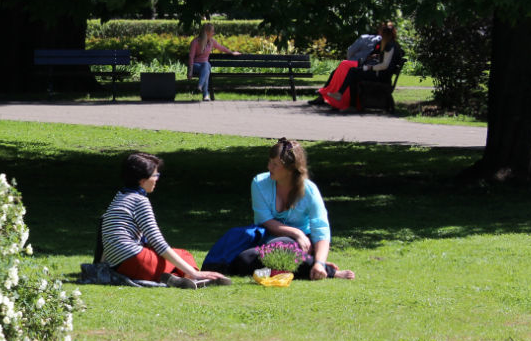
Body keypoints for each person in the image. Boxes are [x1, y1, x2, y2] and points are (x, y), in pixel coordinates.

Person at [96, 152, 230, 288]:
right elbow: (157, 241)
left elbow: (108, 234)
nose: (157, 179)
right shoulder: (139, 201)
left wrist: (102, 266)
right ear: (142, 180)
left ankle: (176, 277)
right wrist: (194, 272)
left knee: (175, 257)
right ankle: (192, 276)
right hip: (134, 261)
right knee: (185, 255)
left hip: (119, 265)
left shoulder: (120, 196)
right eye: (155, 175)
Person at [229, 138, 355, 280]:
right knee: (243, 260)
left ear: (291, 168)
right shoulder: (259, 183)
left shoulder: (309, 190)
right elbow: (264, 220)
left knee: (278, 248)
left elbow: (321, 230)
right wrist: (296, 233)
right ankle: (310, 264)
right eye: (270, 161)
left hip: (302, 245)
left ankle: (324, 269)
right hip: (269, 241)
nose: (269, 167)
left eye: (275, 164)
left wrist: (319, 260)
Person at [322, 22, 400, 111]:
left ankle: (348, 101)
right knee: (354, 71)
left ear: (384, 34)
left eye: (381, 33)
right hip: (384, 75)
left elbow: (384, 65)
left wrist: (371, 68)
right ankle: (344, 98)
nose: (380, 35)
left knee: (353, 72)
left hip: (381, 76)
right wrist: (377, 57)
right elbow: (389, 60)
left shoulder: (389, 45)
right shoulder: (394, 44)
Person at [307, 24, 387, 107]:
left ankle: (324, 96)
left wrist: (351, 60)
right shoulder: (385, 43)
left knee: (340, 69)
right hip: (368, 68)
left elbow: (350, 51)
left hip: (358, 66)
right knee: (339, 71)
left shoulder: (365, 38)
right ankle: (325, 96)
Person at [188, 22, 240, 101]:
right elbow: (191, 57)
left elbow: (221, 48)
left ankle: (200, 87)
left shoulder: (211, 42)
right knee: (206, 68)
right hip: (196, 66)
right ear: (207, 32)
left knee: (206, 65)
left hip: (205, 66)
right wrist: (190, 71)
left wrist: (231, 52)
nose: (214, 33)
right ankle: (205, 94)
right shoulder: (195, 42)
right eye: (212, 31)